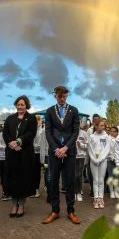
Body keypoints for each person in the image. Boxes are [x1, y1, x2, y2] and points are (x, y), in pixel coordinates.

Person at [42, 86, 81, 225]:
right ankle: (55, 211)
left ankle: (71, 211)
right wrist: (56, 149)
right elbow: (48, 132)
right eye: (59, 96)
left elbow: (76, 132)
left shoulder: (74, 110)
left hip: (69, 151)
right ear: (55, 96)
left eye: (64, 96)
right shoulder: (50, 111)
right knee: (53, 182)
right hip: (55, 152)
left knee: (70, 181)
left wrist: (65, 148)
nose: (62, 98)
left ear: (67, 96)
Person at [3, 95, 37, 218]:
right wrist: (11, 143)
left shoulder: (31, 118)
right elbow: (5, 133)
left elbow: (31, 133)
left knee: (23, 179)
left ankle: (21, 205)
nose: (20, 106)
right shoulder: (10, 118)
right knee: (12, 179)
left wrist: (18, 141)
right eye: (18, 104)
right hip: (12, 153)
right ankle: (13, 205)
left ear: (26, 105)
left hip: (25, 153)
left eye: (22, 104)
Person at [88, 120, 111, 209]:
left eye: (104, 125)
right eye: (101, 125)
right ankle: (96, 198)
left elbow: (107, 149)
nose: (103, 127)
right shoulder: (92, 136)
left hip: (103, 161)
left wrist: (101, 159)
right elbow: (90, 149)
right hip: (93, 161)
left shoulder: (106, 136)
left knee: (101, 180)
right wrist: (94, 159)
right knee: (95, 180)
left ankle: (101, 198)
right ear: (96, 126)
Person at [0, 129, 10, 201]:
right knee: (4, 176)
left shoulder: (16, 133)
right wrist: (7, 148)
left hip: (13, 158)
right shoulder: (2, 134)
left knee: (12, 176)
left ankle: (11, 192)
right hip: (3, 158)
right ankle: (5, 193)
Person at [75, 122, 88, 202]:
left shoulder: (84, 133)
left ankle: (79, 192)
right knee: (73, 175)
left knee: (79, 175)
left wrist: (81, 145)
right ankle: (74, 192)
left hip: (81, 157)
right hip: (72, 157)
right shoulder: (70, 132)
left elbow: (88, 145)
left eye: (78, 123)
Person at [31, 115, 43, 198]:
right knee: (31, 172)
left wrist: (31, 146)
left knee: (36, 172)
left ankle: (36, 189)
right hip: (31, 153)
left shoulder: (41, 131)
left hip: (37, 154)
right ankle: (32, 189)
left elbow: (40, 145)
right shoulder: (32, 130)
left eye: (37, 120)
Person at [107, 126, 119, 198]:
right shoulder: (107, 139)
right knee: (110, 176)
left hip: (117, 160)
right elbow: (107, 149)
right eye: (111, 131)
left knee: (116, 176)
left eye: (114, 131)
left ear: (117, 132)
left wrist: (117, 158)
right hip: (109, 160)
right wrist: (111, 157)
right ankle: (111, 191)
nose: (112, 133)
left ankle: (116, 191)